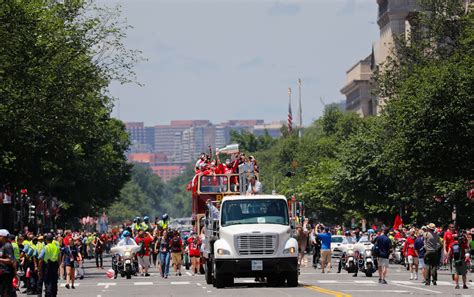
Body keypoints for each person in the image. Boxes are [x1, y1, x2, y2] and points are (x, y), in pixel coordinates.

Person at [0, 229, 16, 297]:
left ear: (3, 237)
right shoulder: (2, 245)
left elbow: (11, 260)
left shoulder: (7, 246)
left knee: (6, 293)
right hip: (2, 273)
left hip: (7, 273)